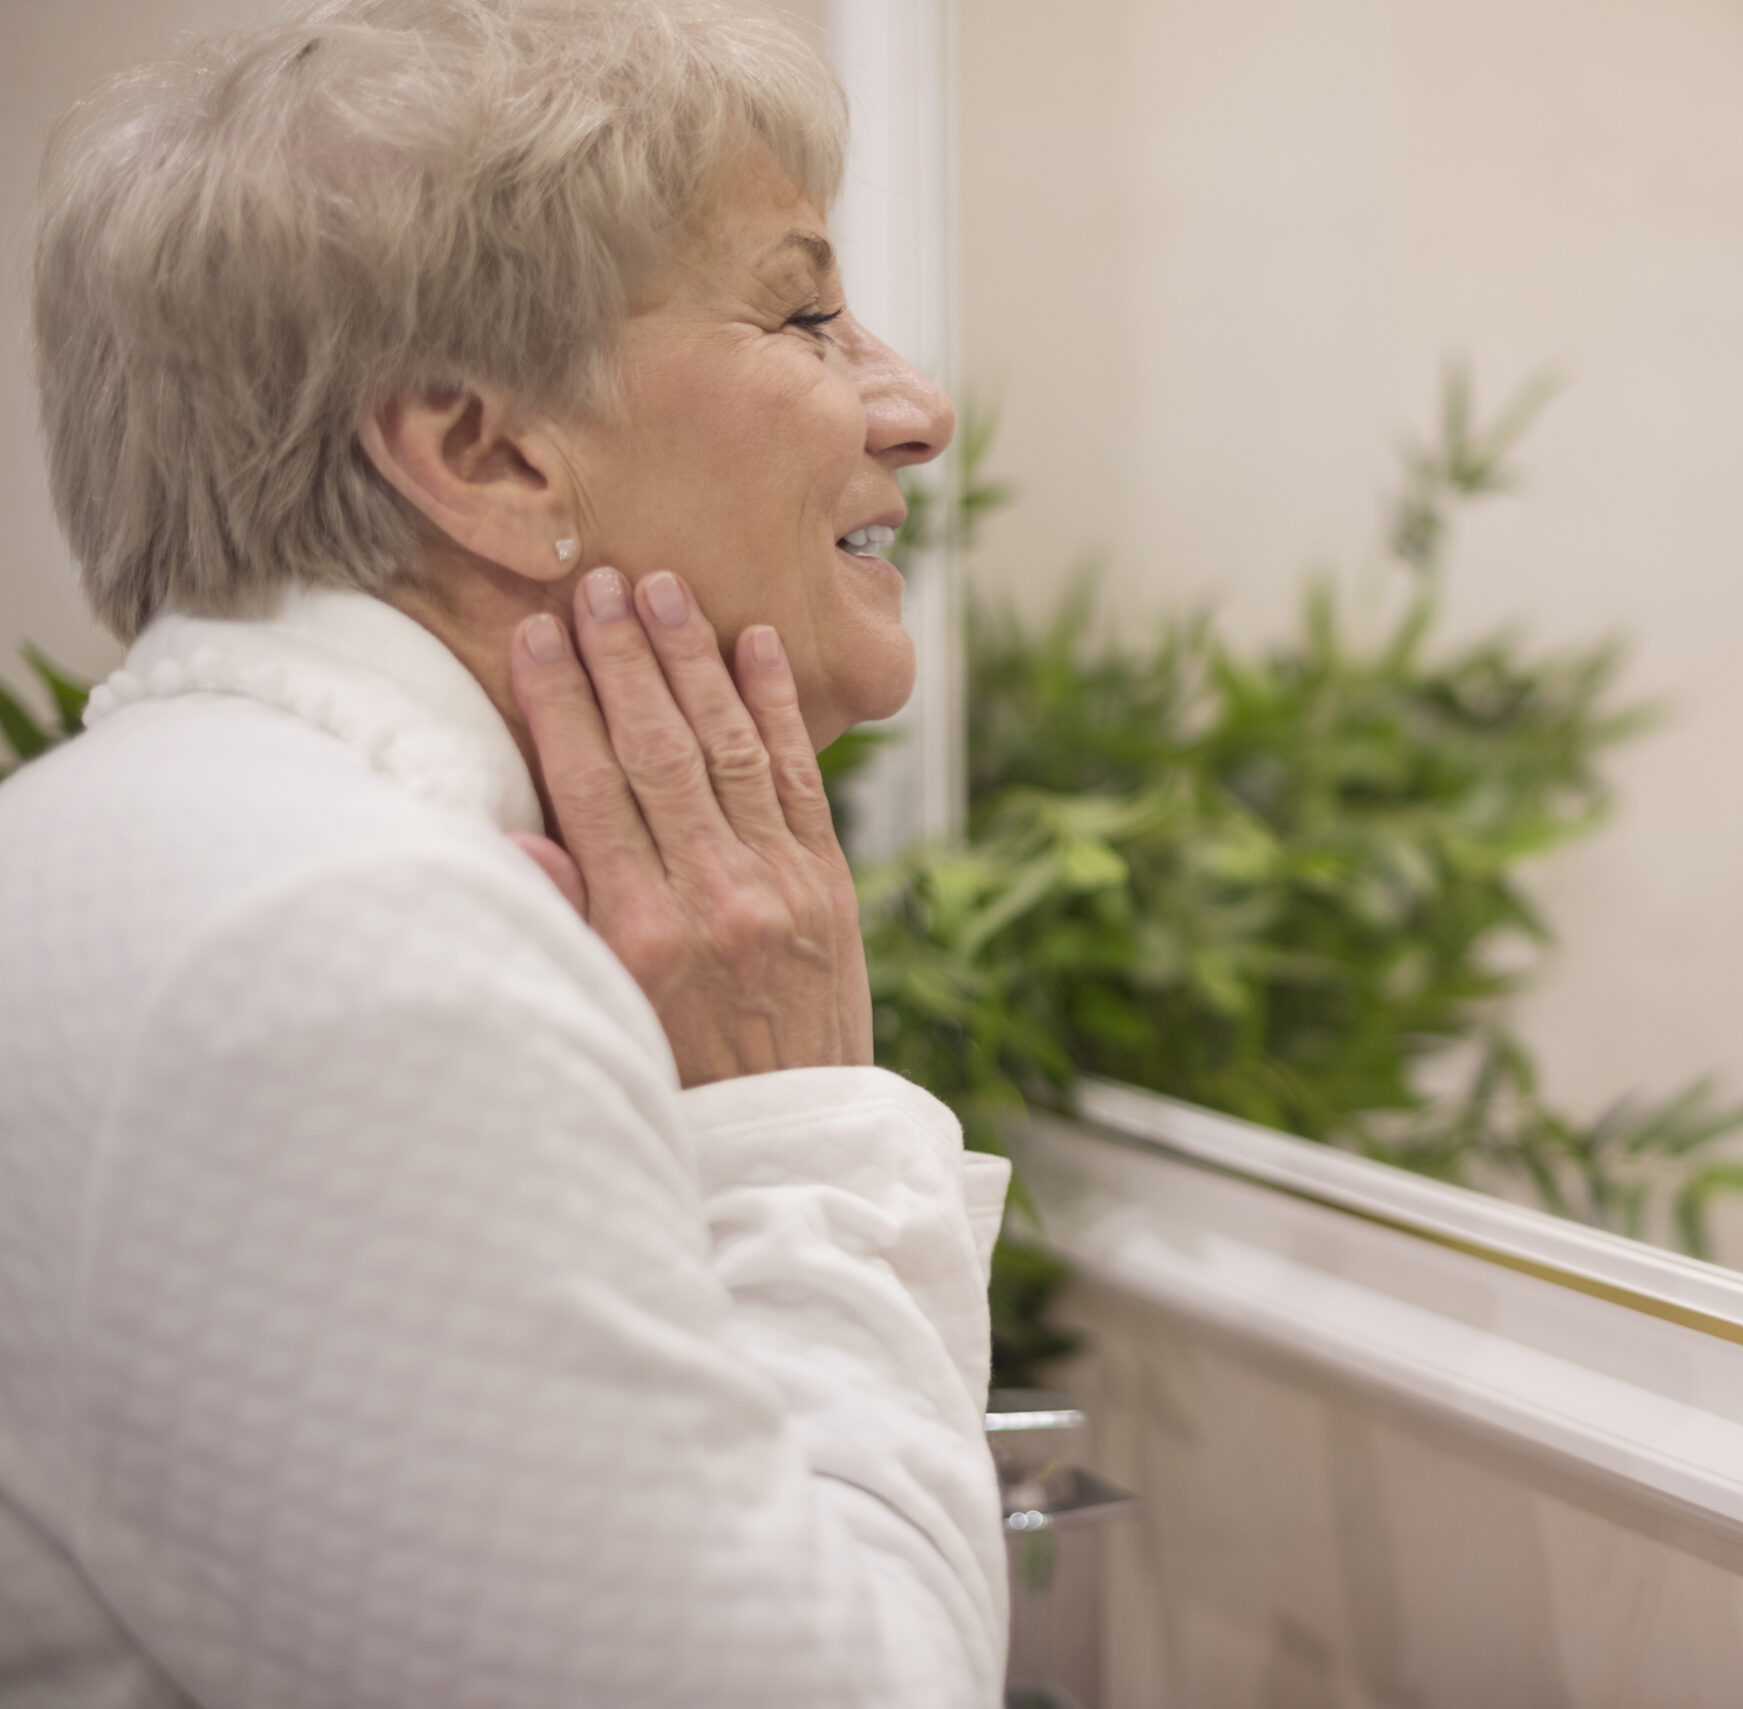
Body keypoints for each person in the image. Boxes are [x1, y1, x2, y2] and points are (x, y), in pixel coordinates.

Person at [0, 1, 1012, 1702]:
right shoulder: (355, 951)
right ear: (486, 451)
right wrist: (797, 1128)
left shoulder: (175, 842)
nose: (914, 409)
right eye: (807, 308)